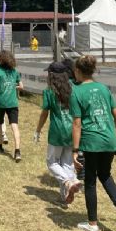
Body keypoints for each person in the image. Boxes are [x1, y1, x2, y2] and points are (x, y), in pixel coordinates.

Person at [70, 55, 116, 231]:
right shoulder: (104, 89)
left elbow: (76, 124)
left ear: (79, 71)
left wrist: (74, 150)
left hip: (91, 142)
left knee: (90, 181)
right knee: (105, 174)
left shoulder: (76, 92)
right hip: (109, 139)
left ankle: (93, 224)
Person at [35, 61, 81, 205]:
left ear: (51, 75)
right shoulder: (73, 88)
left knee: (52, 162)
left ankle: (69, 182)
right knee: (67, 163)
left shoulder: (49, 91)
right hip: (73, 130)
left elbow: (44, 113)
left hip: (57, 131)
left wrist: (38, 130)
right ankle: (65, 196)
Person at [0, 50, 23, 162]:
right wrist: (13, 87)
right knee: (14, 126)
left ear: (0, 59)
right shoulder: (14, 72)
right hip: (13, 102)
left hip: (0, 102)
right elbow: (21, 86)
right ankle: (17, 151)